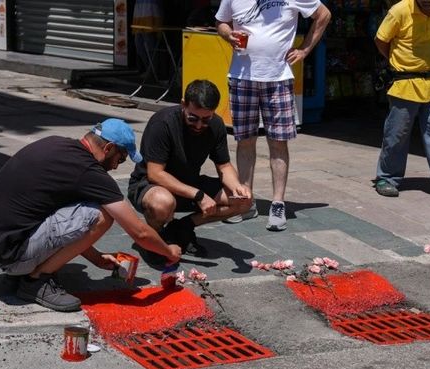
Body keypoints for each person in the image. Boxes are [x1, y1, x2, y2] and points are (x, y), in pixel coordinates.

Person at [0, 119, 182, 313]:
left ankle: (24, 272)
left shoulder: (56, 144)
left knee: (75, 206)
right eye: (120, 159)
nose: (116, 167)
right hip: (11, 253)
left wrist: (95, 258)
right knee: (102, 215)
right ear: (108, 148)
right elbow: (140, 233)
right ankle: (36, 281)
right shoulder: (88, 171)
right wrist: (168, 251)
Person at [215, 0, 331, 231]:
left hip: (278, 78)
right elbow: (221, 22)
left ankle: (278, 203)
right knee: (245, 141)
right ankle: (246, 201)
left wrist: (305, 49)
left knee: (278, 143)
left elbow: (324, 15)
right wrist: (228, 35)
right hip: (241, 76)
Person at [127, 80, 252, 257]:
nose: (199, 125)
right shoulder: (163, 123)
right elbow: (155, 174)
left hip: (189, 183)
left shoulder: (216, 125)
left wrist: (237, 187)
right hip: (148, 186)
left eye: (206, 119)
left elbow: (224, 165)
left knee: (244, 201)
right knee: (162, 202)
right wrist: (198, 195)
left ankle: (183, 226)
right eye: (193, 118)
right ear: (183, 103)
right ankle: (153, 239)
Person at [373, 0, 430, 201]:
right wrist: (396, 62)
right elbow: (381, 40)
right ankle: (387, 178)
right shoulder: (399, 11)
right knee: (396, 134)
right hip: (405, 83)